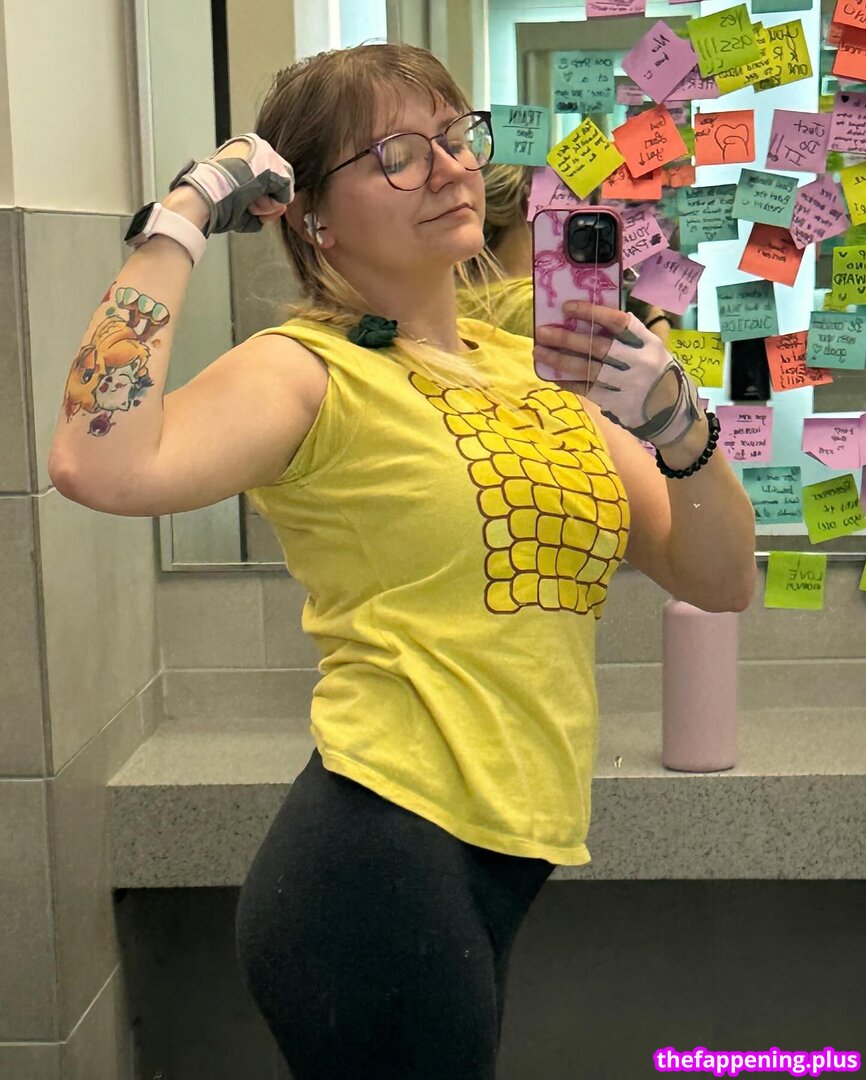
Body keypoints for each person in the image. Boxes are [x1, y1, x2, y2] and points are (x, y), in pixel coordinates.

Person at [47, 42, 756, 1080]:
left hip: (489, 858)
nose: (449, 168)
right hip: (377, 854)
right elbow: (93, 460)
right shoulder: (308, 370)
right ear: (313, 217)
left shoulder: (536, 369)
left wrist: (682, 428)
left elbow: (720, 579)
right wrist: (185, 213)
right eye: (396, 154)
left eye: (454, 137)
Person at [458, 161, 676, 344]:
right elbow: (648, 377)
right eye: (582, 204)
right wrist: (653, 318)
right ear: (533, 202)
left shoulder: (454, 299)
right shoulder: (559, 312)